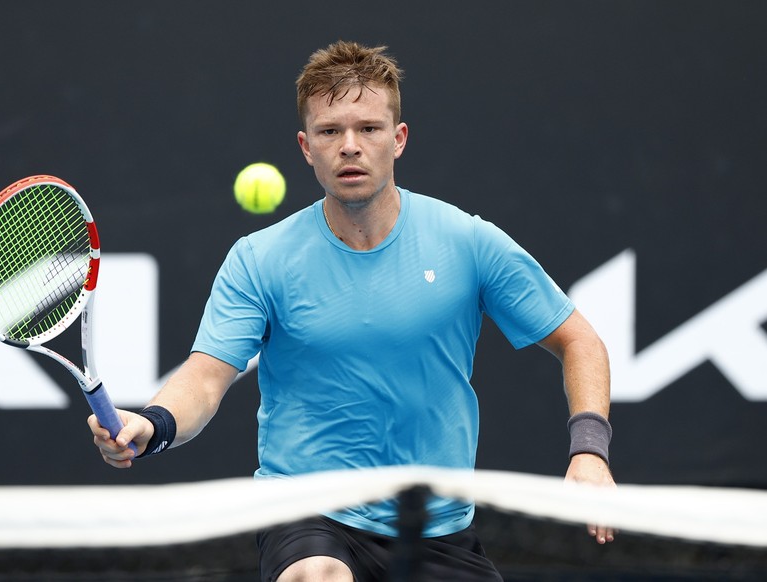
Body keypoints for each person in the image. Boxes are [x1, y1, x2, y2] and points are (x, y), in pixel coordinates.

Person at [89, 40, 616, 581]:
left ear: (399, 138)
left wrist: (590, 452)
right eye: (329, 131)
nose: (350, 146)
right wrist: (153, 423)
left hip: (436, 525)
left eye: (368, 128)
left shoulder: (468, 241)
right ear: (305, 147)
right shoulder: (260, 257)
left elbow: (580, 341)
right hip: (306, 511)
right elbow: (204, 379)